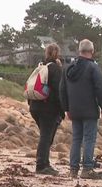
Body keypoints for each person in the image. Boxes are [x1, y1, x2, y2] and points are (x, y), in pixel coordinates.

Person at [60, 39, 102, 180]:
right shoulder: (93, 68)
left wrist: (66, 108)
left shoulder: (68, 68)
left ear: (79, 51)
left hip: (74, 109)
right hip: (89, 110)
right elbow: (100, 88)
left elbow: (62, 89)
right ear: (92, 51)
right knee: (89, 139)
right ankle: (87, 168)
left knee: (76, 139)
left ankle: (73, 169)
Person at [29, 43, 65, 176]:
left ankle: (45, 162)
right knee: (46, 136)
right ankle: (41, 165)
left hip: (35, 106)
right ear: (57, 53)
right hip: (48, 108)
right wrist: (62, 110)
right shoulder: (55, 69)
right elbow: (58, 91)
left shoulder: (40, 66)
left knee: (46, 136)